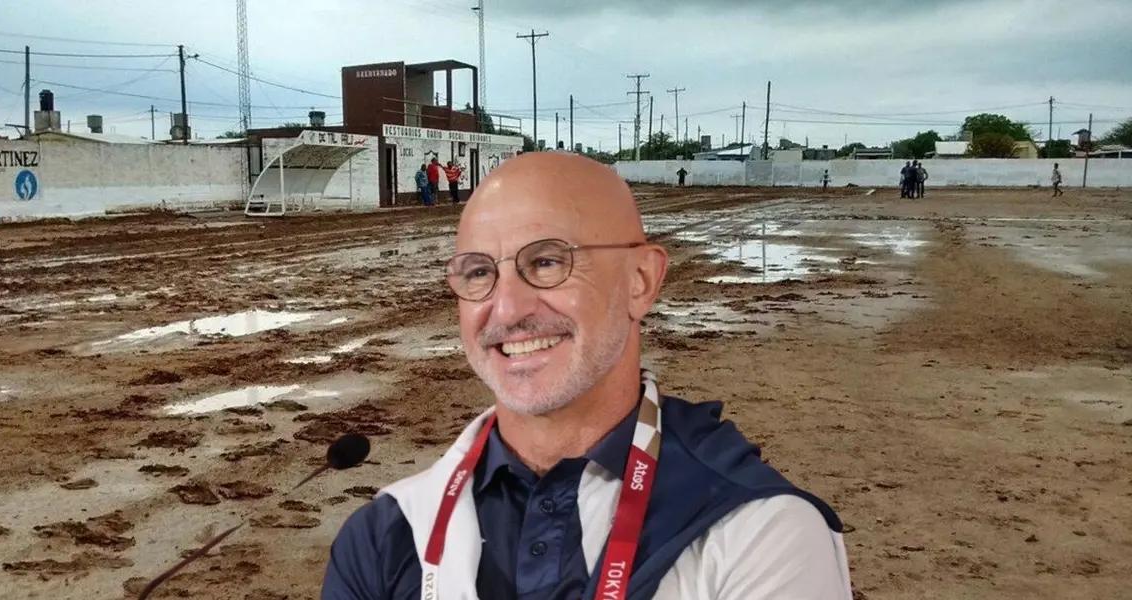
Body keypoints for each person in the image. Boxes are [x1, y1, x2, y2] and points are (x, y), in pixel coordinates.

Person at [322, 153, 851, 599]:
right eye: (480, 271)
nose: (506, 309)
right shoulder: (387, 536)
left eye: (548, 262)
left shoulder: (760, 534)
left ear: (641, 282)